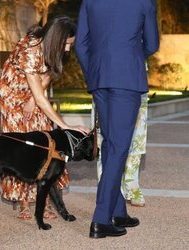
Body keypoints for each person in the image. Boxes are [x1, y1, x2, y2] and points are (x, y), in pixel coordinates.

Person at [75, 0, 159, 238]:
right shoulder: (144, 2)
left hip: (100, 78)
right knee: (119, 146)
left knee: (112, 143)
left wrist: (96, 71)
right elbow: (152, 44)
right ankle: (101, 220)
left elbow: (81, 45)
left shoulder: (90, 2)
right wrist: (129, 58)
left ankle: (117, 210)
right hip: (127, 80)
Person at [0, 15, 90, 221]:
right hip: (12, 94)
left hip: (32, 93)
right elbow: (41, 97)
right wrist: (64, 125)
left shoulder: (54, 49)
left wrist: (33, 98)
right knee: (23, 144)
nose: (67, 49)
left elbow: (47, 74)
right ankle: (23, 202)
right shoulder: (31, 48)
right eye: (66, 44)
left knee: (45, 140)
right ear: (56, 38)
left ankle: (44, 199)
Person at [92, 93, 148, 208]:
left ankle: (132, 188)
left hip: (135, 85)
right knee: (107, 138)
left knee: (135, 137)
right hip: (105, 86)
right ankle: (106, 188)